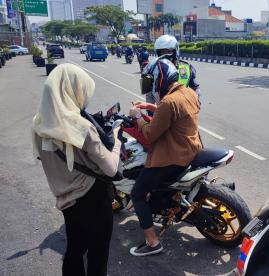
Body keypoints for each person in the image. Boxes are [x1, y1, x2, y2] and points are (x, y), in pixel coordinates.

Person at [32, 64, 122, 275]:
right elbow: (110, 169)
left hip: (66, 199)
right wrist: (116, 138)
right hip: (94, 198)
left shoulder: (38, 124)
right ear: (73, 90)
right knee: (98, 255)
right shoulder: (81, 127)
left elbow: (43, 156)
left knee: (75, 249)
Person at [128, 58, 202, 256]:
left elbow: (151, 133)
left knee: (137, 194)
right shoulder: (188, 92)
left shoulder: (168, 102)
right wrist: (152, 108)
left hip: (172, 157)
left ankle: (153, 242)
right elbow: (175, 113)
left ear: (159, 80)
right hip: (192, 149)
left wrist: (136, 117)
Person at [143, 35, 200, 114]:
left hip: (183, 111)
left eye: (169, 52)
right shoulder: (152, 68)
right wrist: (150, 113)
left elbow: (195, 88)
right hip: (162, 111)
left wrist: (195, 104)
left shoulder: (185, 68)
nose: (166, 55)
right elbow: (148, 94)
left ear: (175, 51)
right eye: (163, 52)